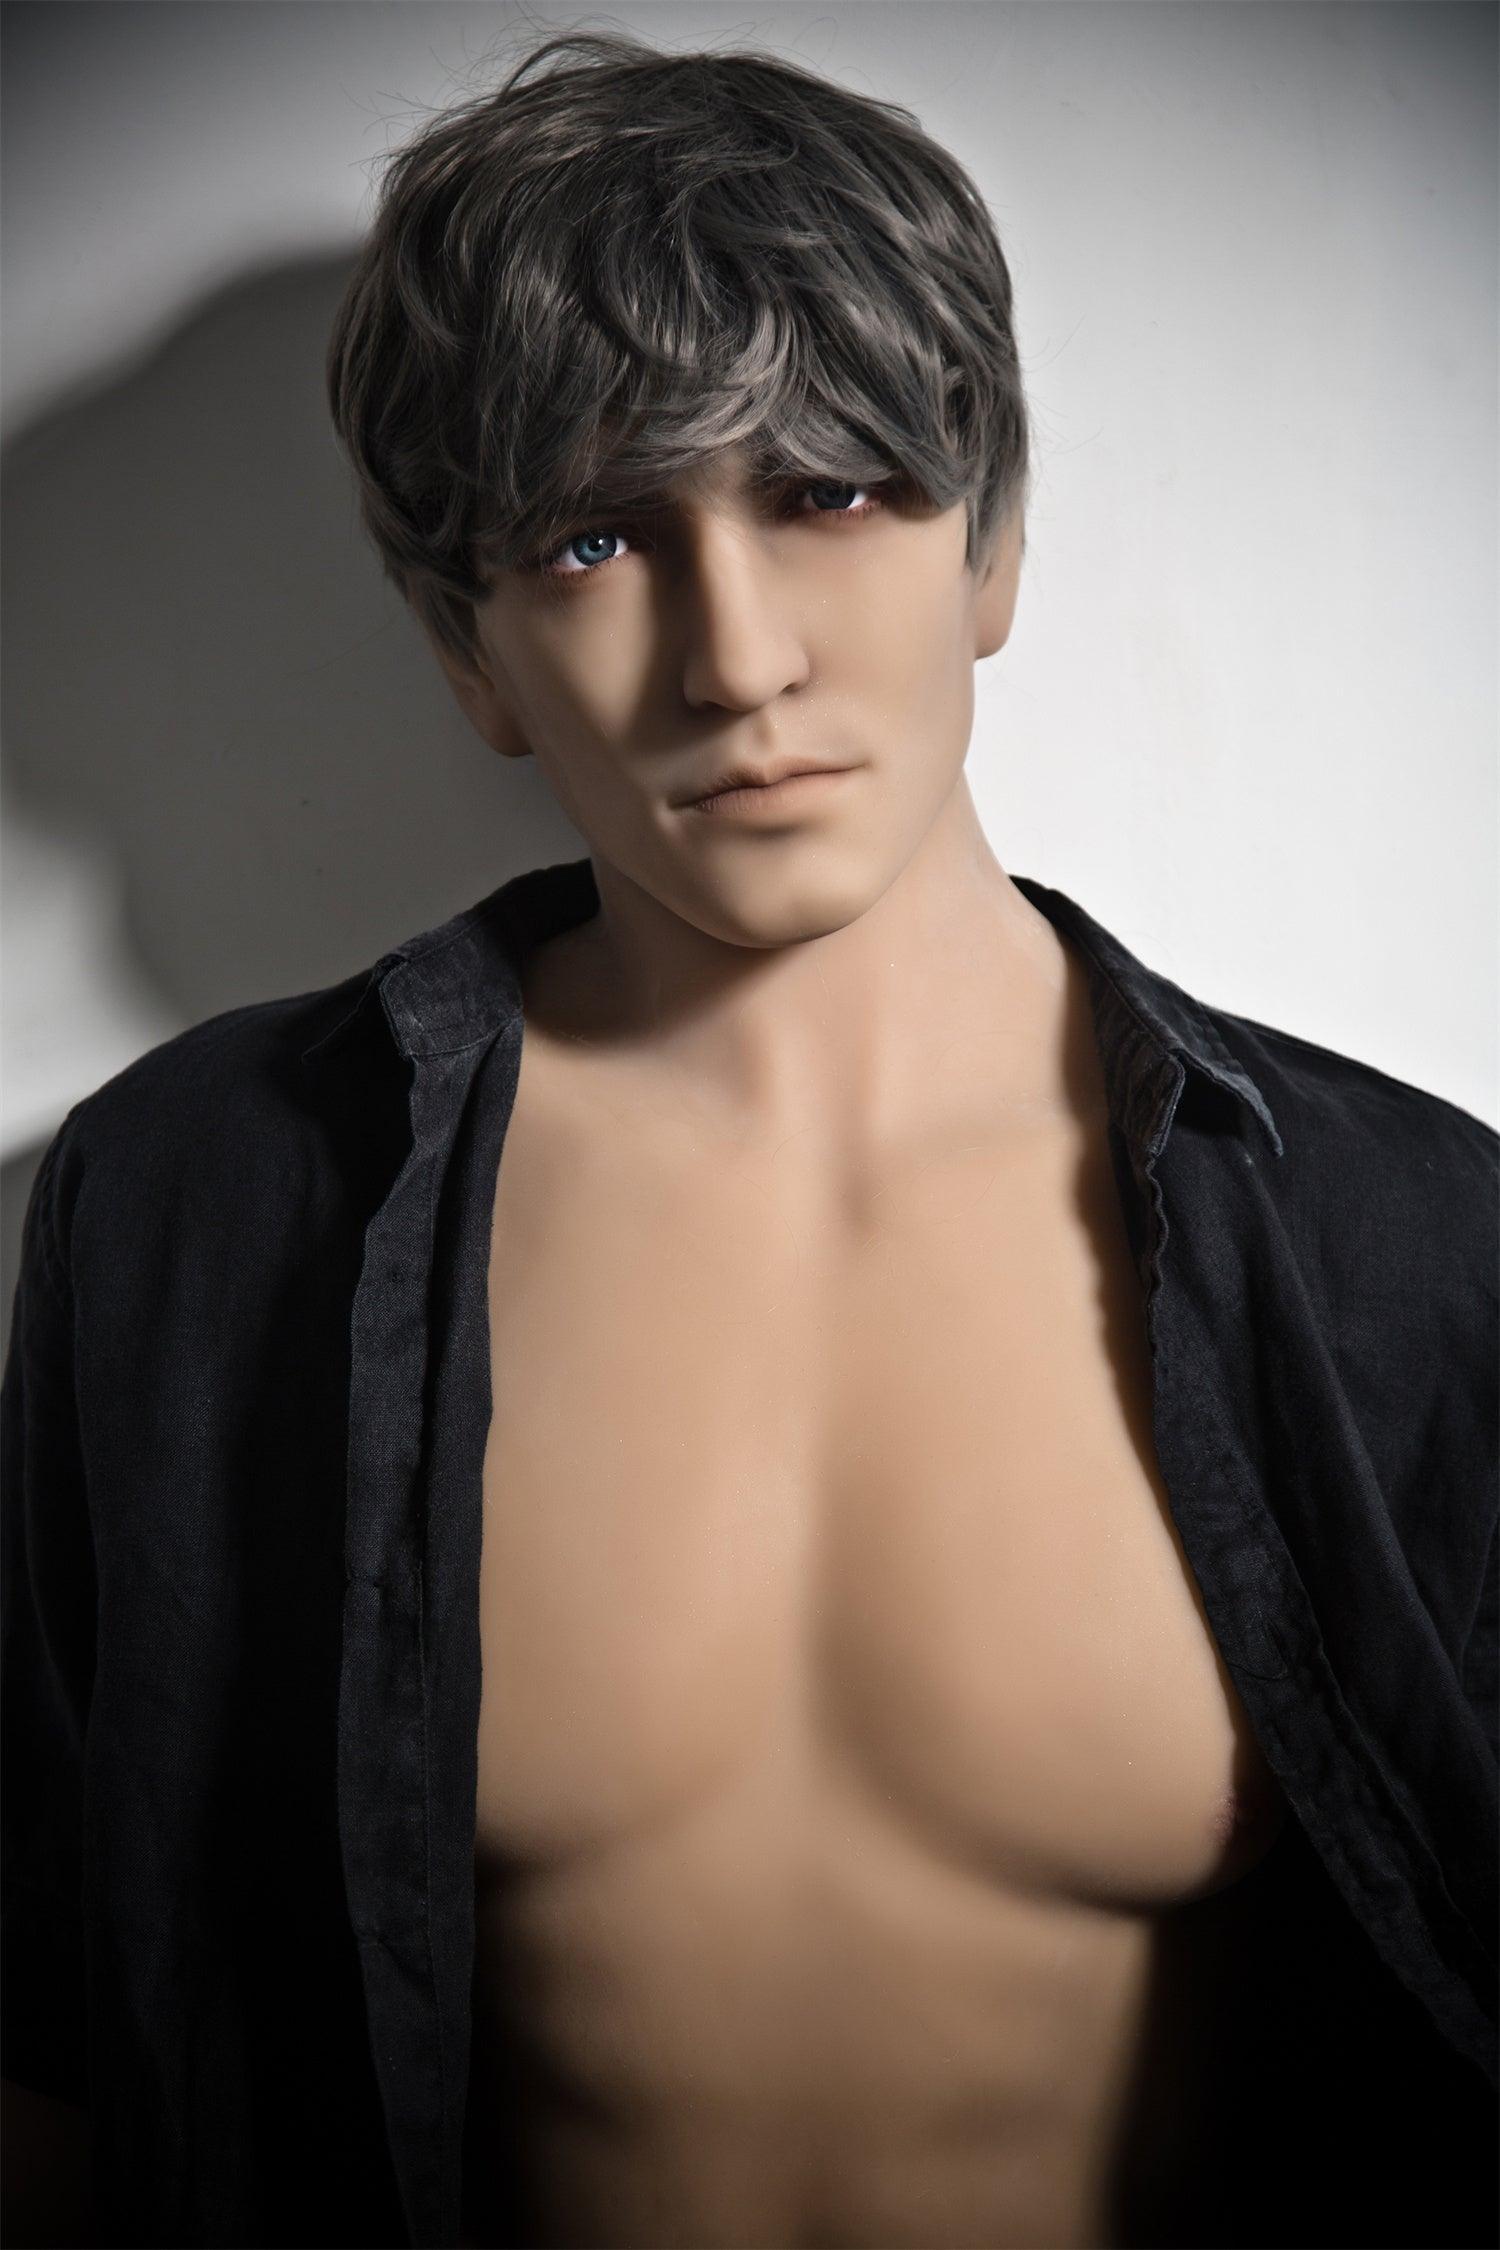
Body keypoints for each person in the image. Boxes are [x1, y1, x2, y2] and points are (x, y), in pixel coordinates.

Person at [2, 27, 1495, 2250]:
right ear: (475, 659)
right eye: (598, 537)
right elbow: (53, 2057)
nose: (737, 659)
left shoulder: (1414, 1245)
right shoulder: (190, 1212)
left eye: (832, 495)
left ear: (993, 547)